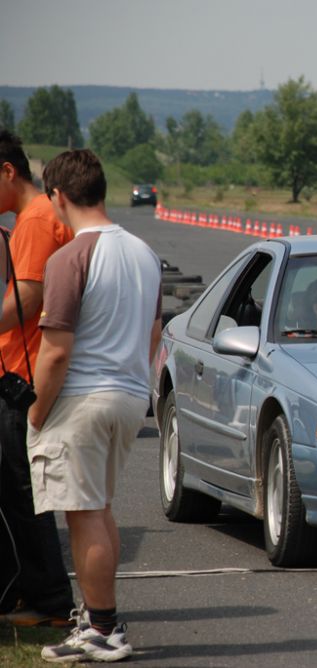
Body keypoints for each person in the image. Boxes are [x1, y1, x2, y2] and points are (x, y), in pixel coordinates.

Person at [27, 149, 161, 663]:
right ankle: (97, 616)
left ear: (58, 196)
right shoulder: (144, 253)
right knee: (100, 511)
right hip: (128, 395)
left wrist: (37, 413)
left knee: (82, 517)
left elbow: (56, 350)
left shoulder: (69, 257)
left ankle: (103, 629)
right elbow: (154, 332)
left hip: (82, 397)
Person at [0, 130, 76, 628]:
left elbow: (29, 294)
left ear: (8, 172)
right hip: (22, 371)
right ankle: (34, 592)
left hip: (22, 377)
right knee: (16, 491)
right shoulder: (38, 218)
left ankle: (51, 600)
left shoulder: (34, 221)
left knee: (23, 492)